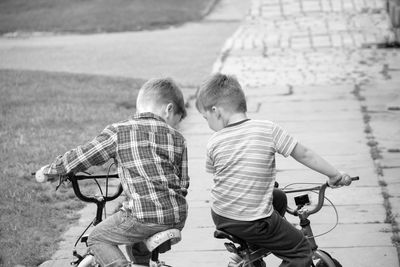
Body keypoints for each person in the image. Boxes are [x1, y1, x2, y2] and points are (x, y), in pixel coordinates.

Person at [195, 73, 352, 267]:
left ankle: (251, 250)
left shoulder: (214, 141)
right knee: (301, 251)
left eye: (205, 118)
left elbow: (219, 173)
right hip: (252, 220)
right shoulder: (267, 129)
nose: (208, 124)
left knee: (278, 197)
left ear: (216, 111)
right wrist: (334, 175)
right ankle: (259, 244)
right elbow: (304, 154)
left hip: (221, 215)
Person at [35, 77, 189, 267]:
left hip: (143, 217)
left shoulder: (120, 131)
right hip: (176, 216)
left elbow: (82, 156)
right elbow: (183, 184)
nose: (175, 126)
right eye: (177, 121)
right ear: (169, 109)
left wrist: (51, 170)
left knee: (97, 238)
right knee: (136, 246)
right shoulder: (178, 138)